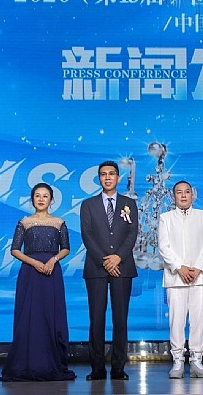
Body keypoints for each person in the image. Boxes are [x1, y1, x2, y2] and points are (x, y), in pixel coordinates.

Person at [0, 183, 76, 382]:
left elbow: (66, 248)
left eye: (45, 196)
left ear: (51, 200)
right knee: (29, 316)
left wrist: (52, 260)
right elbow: (15, 250)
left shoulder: (59, 222)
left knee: (51, 315)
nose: (41, 199)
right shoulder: (24, 222)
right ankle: (26, 362)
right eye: (37, 196)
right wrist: (34, 262)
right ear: (32, 199)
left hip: (52, 273)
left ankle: (51, 362)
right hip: (30, 273)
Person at [80, 160, 139, 381]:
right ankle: (97, 368)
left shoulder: (129, 203)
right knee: (96, 319)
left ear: (118, 177)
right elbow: (87, 235)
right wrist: (106, 261)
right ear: (99, 178)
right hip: (96, 267)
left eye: (111, 174)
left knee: (120, 319)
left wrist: (118, 258)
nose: (107, 177)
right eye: (103, 174)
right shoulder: (88, 205)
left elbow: (132, 233)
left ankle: (118, 368)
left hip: (122, 267)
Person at [157, 180, 203, 379]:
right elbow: (164, 247)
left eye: (187, 192)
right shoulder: (165, 218)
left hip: (199, 277)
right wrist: (179, 267)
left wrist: (197, 268)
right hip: (175, 277)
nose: (183, 195)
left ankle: (197, 360)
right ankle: (178, 360)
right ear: (173, 196)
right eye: (179, 192)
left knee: (198, 320)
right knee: (177, 320)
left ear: (192, 195)